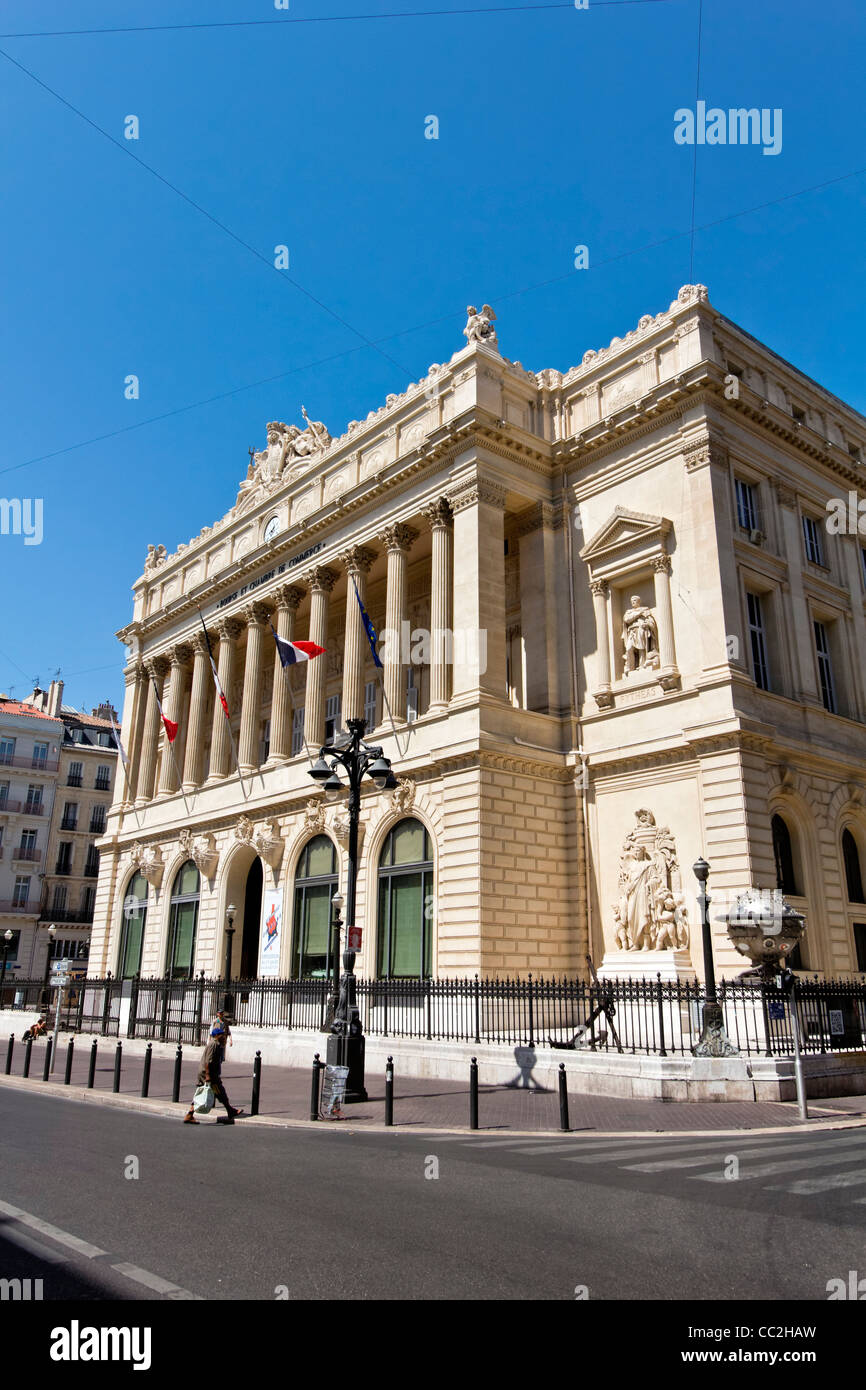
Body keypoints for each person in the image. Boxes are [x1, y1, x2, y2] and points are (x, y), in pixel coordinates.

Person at [183, 1022, 243, 1124]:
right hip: (209, 1075)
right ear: (217, 1036)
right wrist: (208, 1076)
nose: (223, 1036)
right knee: (220, 1092)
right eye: (221, 1034)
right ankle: (230, 1110)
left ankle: (190, 1114)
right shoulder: (214, 1044)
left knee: (202, 1092)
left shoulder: (217, 1044)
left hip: (209, 1074)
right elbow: (208, 1062)